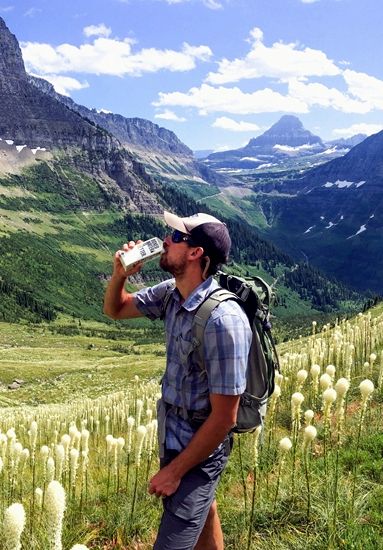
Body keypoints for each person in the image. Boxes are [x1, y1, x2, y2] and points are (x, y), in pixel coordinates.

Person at [103, 211, 251, 550]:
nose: (165, 240)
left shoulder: (223, 320)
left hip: (201, 447)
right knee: (205, 513)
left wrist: (174, 472)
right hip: (172, 432)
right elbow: (116, 309)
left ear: (196, 253)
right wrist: (120, 275)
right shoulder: (171, 293)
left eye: (176, 237)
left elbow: (224, 418)